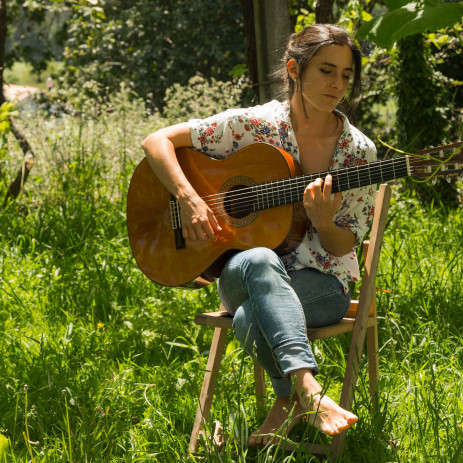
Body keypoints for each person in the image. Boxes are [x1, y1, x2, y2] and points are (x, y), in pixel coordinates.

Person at [140, 24, 376, 447]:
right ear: (294, 69)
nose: (337, 83)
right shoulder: (254, 125)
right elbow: (156, 141)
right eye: (326, 70)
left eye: (345, 74)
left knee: (250, 317)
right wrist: (191, 199)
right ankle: (310, 393)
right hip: (242, 277)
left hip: (322, 285)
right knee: (258, 259)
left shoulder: (359, 154)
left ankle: (292, 397)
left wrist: (323, 222)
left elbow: (345, 245)